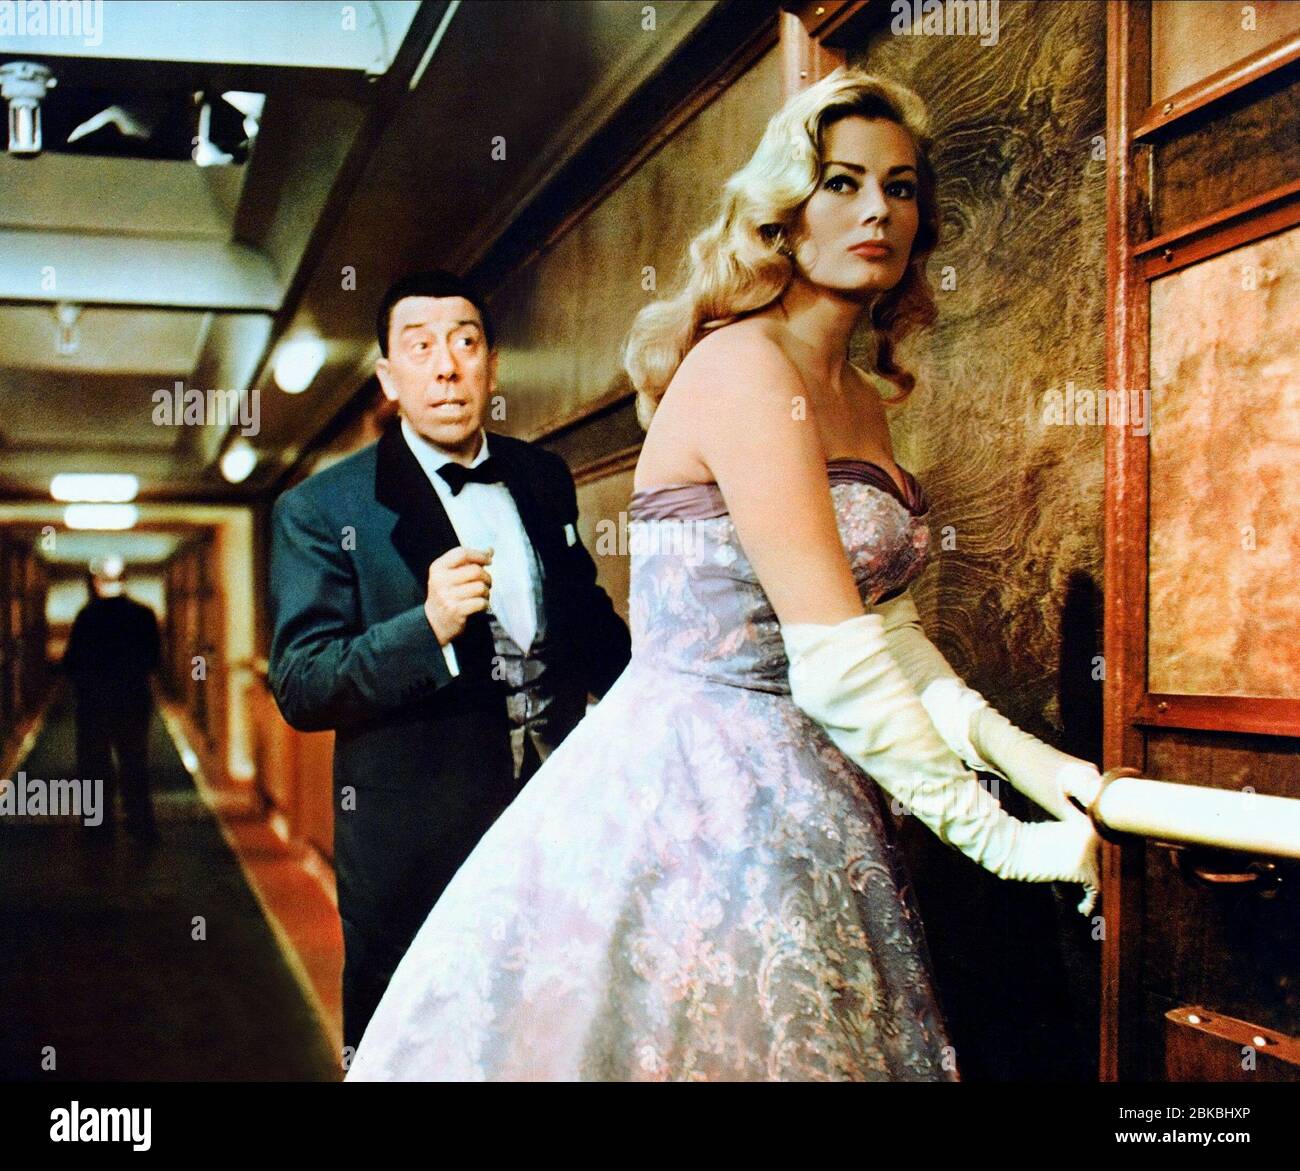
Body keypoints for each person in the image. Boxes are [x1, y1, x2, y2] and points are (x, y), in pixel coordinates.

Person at [345, 68, 1105, 1082]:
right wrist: (1012, 847)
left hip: (820, 784)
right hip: (694, 798)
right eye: (842, 183)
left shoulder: (858, 394)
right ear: (785, 213)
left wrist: (1045, 771)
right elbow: (836, 663)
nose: (878, 210)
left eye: (901, 187)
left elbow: (889, 637)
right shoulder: (746, 367)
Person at [267, 269, 632, 1058]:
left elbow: (590, 625)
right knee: (422, 1055)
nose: (446, 366)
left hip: (561, 829)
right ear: (387, 376)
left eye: (465, 343)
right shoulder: (322, 509)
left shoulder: (541, 476)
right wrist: (426, 626)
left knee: (553, 1045)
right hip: (416, 852)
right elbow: (301, 681)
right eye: (420, 346)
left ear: (492, 366)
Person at [63, 563, 162, 843]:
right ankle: (140, 825)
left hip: (94, 703)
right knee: (134, 763)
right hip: (132, 700)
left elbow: (72, 662)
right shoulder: (143, 614)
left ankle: (97, 828)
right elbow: (154, 659)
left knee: (94, 765)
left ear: (97, 584)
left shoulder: (88, 616)